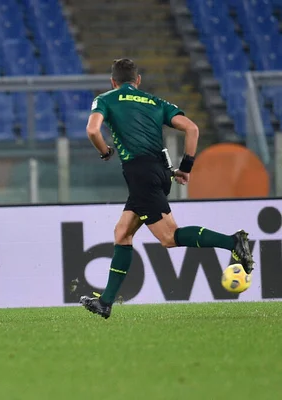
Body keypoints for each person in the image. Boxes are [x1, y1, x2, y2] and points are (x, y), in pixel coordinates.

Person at [79, 58, 254, 319]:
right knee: (122, 233)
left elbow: (93, 130)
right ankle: (105, 302)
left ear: (113, 82)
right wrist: (186, 168)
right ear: (137, 81)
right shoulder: (156, 102)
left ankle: (233, 242)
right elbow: (192, 129)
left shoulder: (105, 99)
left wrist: (105, 152)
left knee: (169, 237)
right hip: (162, 171)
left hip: (140, 174)